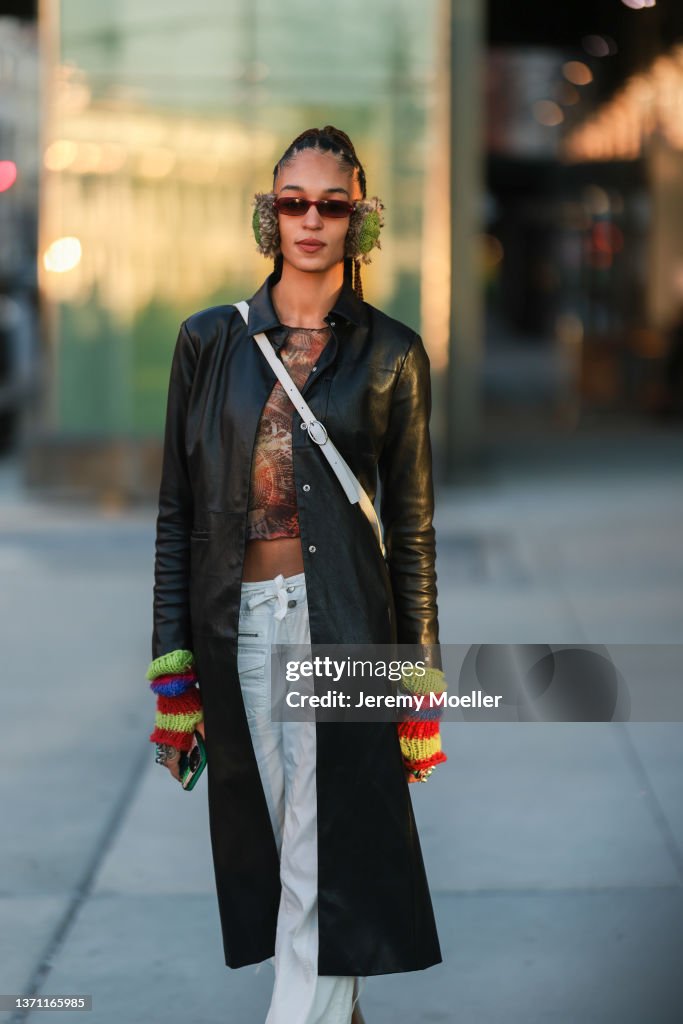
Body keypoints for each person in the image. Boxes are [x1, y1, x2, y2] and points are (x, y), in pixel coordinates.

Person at [146, 125, 448, 1024]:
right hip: (235, 624)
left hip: (345, 626)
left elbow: (414, 531)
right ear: (267, 214)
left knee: (322, 861)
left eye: (331, 204)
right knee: (291, 860)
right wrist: (171, 668)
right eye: (293, 202)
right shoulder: (209, 342)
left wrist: (418, 685)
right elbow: (177, 515)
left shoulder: (392, 354)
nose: (310, 219)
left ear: (361, 220)